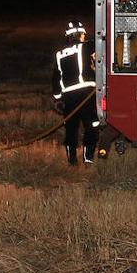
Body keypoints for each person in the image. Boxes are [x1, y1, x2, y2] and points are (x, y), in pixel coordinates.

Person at [52, 20, 99, 165]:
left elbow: (56, 78)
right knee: (92, 125)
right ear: (81, 36)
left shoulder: (59, 54)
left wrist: (58, 98)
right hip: (87, 94)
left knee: (71, 129)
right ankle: (88, 158)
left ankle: (72, 160)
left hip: (69, 98)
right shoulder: (87, 47)